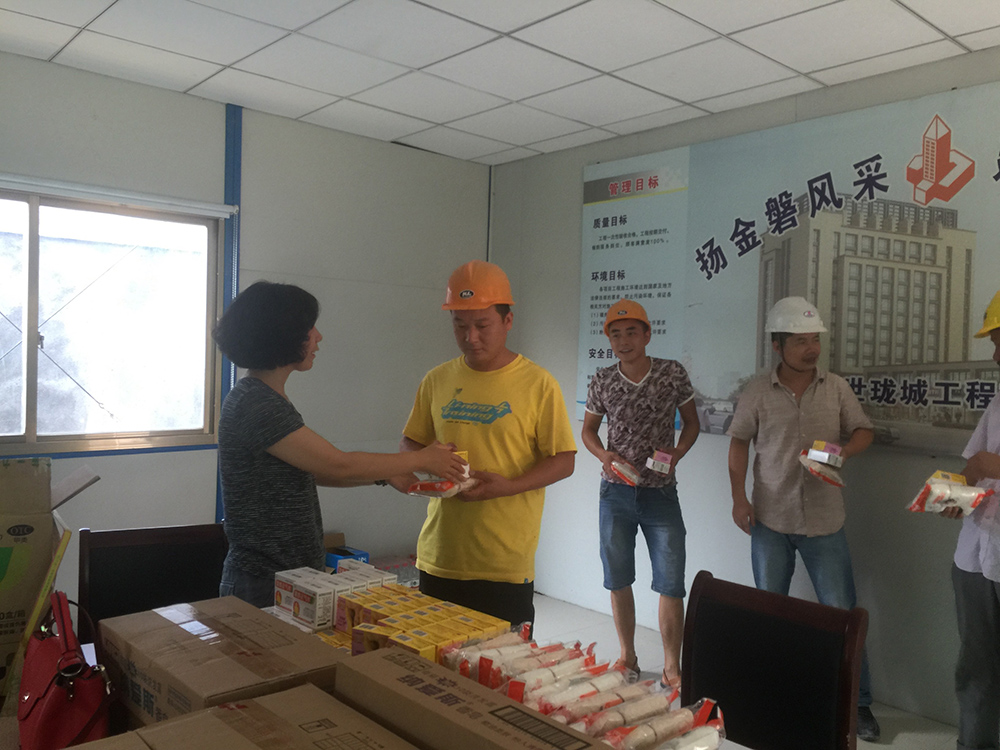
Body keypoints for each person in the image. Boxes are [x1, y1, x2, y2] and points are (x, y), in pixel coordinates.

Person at [212, 280, 466, 608]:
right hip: (263, 581)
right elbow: (338, 463)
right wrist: (422, 459)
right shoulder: (257, 404)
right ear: (284, 334)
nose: (318, 337)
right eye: (309, 328)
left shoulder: (264, 397)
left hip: (289, 577)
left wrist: (386, 474)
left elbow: (315, 471)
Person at [726, 296, 880, 742]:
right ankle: (770, 694)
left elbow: (863, 430)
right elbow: (738, 443)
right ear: (777, 346)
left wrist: (844, 451)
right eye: (800, 341)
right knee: (769, 611)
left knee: (843, 615)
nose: (811, 349)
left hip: (825, 520)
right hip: (770, 518)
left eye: (815, 340)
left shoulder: (836, 388)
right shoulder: (757, 391)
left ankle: (859, 704)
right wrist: (738, 499)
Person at [395, 260, 576, 627]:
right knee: (432, 660)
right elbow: (410, 443)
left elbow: (563, 460)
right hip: (440, 555)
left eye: (482, 325)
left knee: (499, 661)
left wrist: (509, 486)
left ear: (508, 321)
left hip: (503, 564)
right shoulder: (437, 379)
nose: (471, 337)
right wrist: (426, 466)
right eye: (460, 326)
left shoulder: (539, 384)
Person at [581, 298, 699, 688]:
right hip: (615, 493)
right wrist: (604, 456)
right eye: (615, 334)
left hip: (660, 494)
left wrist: (677, 454)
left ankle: (671, 667)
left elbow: (692, 424)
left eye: (631, 332)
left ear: (647, 334)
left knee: (671, 582)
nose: (623, 341)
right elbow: (588, 430)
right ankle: (627, 656)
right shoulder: (602, 379)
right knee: (618, 578)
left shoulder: (671, 373)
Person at [940, 290, 1000, 750]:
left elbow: (987, 462)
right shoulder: (998, 400)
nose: (995, 355)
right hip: (975, 556)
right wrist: (953, 495)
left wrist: (989, 465)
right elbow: (973, 465)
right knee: (976, 671)